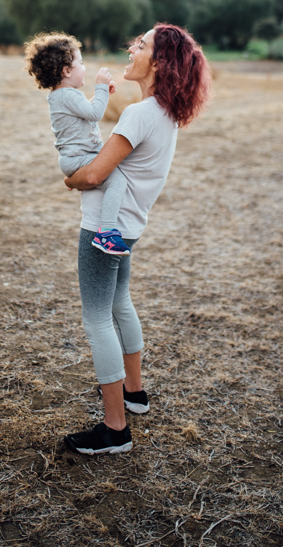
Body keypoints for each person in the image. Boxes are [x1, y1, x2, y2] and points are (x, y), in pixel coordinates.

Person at [63, 24, 212, 455]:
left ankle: (115, 430)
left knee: (97, 319)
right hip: (127, 228)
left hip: (103, 229)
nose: (132, 49)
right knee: (119, 303)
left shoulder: (139, 115)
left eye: (141, 45)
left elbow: (94, 174)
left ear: (159, 62)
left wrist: (71, 181)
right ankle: (135, 393)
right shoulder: (164, 111)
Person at [24, 32, 131, 256]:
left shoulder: (61, 96)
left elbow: (82, 113)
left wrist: (102, 95)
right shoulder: (70, 95)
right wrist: (100, 87)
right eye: (80, 62)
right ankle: (107, 233)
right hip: (80, 157)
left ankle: (106, 227)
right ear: (66, 71)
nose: (84, 67)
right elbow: (94, 114)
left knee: (111, 176)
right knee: (117, 179)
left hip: (72, 158)